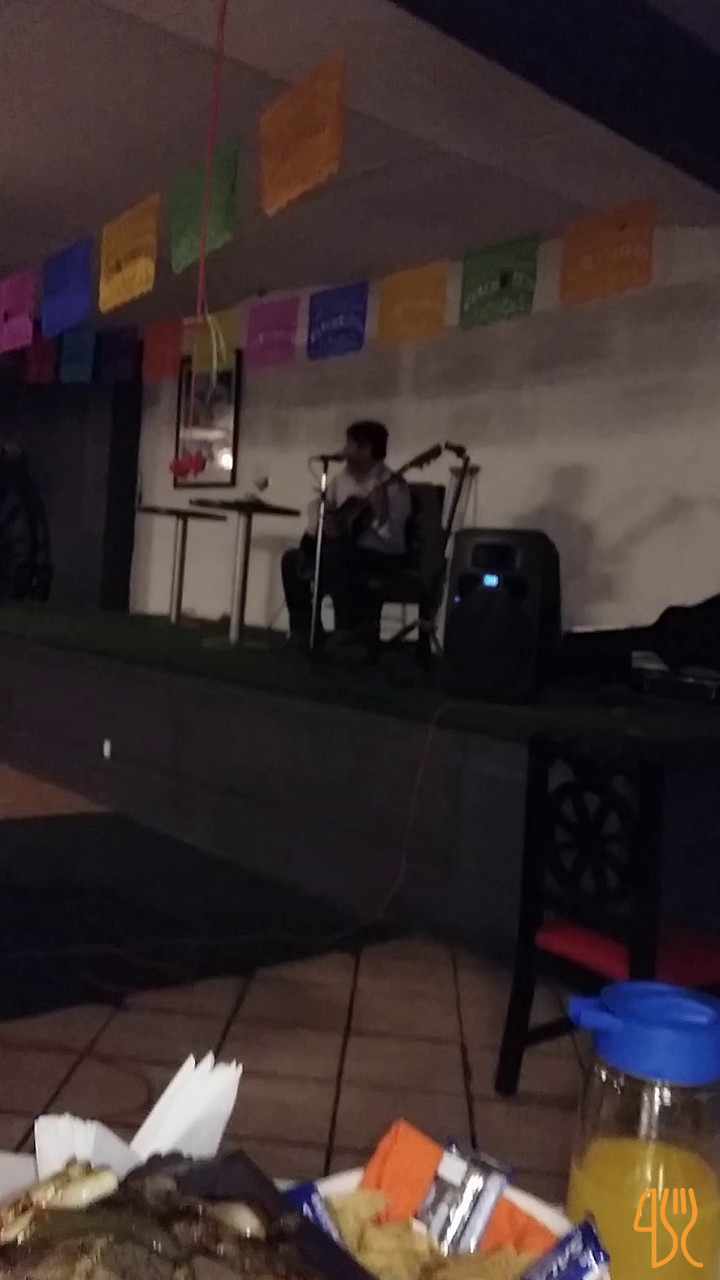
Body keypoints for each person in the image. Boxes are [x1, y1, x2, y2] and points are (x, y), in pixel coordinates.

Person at [282, 419, 412, 645]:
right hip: (344, 551)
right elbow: (322, 507)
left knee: (336, 551)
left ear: (366, 450)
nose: (344, 452)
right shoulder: (341, 479)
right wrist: (324, 519)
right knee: (292, 559)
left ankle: (349, 626)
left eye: (349, 446)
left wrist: (381, 515)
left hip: (382, 555)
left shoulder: (395, 487)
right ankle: (304, 629)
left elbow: (393, 538)